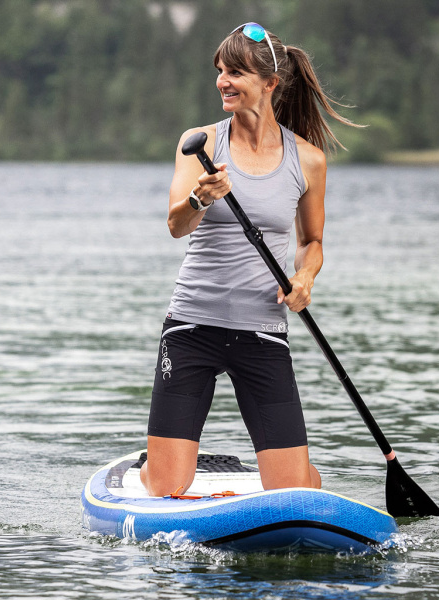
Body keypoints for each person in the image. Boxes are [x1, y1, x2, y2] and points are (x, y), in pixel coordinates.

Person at [141, 22, 356, 497]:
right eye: (220, 70)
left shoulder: (308, 160)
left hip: (263, 330)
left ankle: (302, 476)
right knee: (165, 488)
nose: (223, 80)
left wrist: (305, 276)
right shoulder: (200, 144)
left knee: (293, 490)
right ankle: (151, 465)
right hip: (191, 328)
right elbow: (176, 225)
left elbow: (313, 240)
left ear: (270, 83)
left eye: (235, 71)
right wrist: (201, 197)